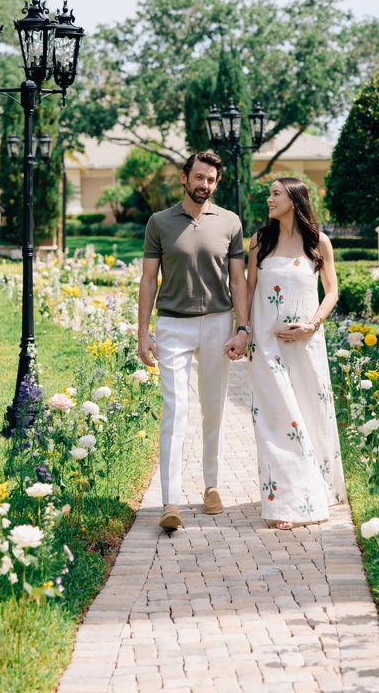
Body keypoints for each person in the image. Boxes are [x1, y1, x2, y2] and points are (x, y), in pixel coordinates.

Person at [138, 151, 250, 531]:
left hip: (219, 324)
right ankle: (170, 501)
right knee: (176, 411)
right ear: (184, 178)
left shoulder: (230, 223)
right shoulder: (160, 223)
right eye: (199, 177)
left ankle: (211, 486)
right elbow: (148, 280)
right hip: (173, 326)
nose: (205, 185)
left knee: (213, 408)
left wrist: (243, 327)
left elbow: (238, 281)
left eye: (211, 180)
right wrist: (143, 333)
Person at [246, 177, 346, 530]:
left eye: (275, 194)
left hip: (307, 346)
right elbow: (247, 289)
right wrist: (243, 330)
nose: (269, 199)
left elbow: (332, 291)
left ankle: (316, 486)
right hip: (267, 345)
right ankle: (288, 504)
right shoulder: (260, 240)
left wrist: (313, 325)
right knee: (278, 420)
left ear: (294, 199)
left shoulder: (319, 243)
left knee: (310, 415)